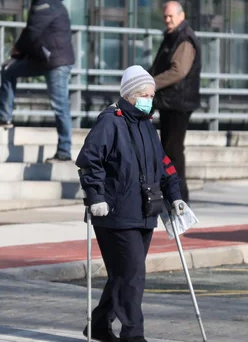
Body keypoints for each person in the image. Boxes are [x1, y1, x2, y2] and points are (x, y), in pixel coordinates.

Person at [77, 65, 186, 342]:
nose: (151, 99)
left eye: (152, 94)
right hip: (115, 215)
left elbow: (164, 164)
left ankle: (100, 324)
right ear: (130, 95)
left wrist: (175, 196)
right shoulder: (110, 122)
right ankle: (133, 335)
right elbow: (90, 162)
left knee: (123, 275)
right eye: (146, 94)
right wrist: (96, 197)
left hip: (145, 211)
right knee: (133, 275)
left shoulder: (147, 125)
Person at [0, 0, 75, 163]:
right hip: (43, 58)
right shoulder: (41, 0)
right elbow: (30, 32)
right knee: (9, 71)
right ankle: (3, 117)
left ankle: (65, 151)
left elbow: (33, 32)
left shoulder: (46, 2)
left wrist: (20, 51)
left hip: (55, 62)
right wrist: (18, 53)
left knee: (60, 106)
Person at [149, 1, 201, 203]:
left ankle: (179, 195)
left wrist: (151, 83)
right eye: (165, 16)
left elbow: (178, 71)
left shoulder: (184, 38)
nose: (167, 20)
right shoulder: (173, 36)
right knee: (169, 149)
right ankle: (173, 193)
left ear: (181, 15)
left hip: (178, 102)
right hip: (170, 101)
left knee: (173, 150)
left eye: (171, 16)